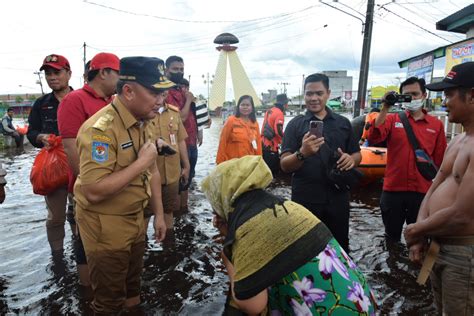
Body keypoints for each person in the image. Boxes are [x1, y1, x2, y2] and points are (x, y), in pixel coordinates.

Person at [202, 155, 377, 315]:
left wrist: (228, 258)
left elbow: (253, 305)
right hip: (361, 301)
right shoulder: (287, 206)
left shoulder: (247, 228)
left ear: (223, 198)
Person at [74, 56, 168, 313]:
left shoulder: (143, 120)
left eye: (163, 93)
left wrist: (159, 215)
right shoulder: (100, 130)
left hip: (135, 219)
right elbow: (93, 191)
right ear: (128, 91)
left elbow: (153, 172)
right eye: (154, 92)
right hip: (106, 227)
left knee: (132, 291)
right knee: (109, 301)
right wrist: (141, 163)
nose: (161, 101)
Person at [404, 62, 474, 315]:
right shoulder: (458, 140)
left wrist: (416, 229)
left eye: (449, 94)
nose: (444, 102)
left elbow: (462, 214)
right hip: (439, 244)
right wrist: (420, 233)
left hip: (464, 253)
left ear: (472, 95)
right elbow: (434, 187)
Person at [57, 52, 120, 288]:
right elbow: (71, 147)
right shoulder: (74, 100)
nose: (121, 79)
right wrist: (87, 184)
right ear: (104, 73)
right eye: (118, 73)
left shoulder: (112, 101)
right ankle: (87, 290)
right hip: (87, 186)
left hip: (113, 184)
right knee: (85, 238)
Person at [280, 73, 361, 251]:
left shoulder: (343, 123)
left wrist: (351, 160)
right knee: (305, 249)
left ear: (328, 93)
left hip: (338, 197)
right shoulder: (295, 124)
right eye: (309, 94)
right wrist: (302, 153)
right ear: (304, 94)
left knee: (340, 246)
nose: (314, 98)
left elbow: (357, 154)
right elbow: (285, 165)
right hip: (305, 198)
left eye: (319, 93)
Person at [366, 77, 447, 242]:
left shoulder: (436, 125)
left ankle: (412, 267)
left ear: (424, 95)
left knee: (419, 239)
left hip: (422, 192)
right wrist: (386, 107)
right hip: (393, 190)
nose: (412, 98)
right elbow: (374, 137)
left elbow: (440, 161)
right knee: (391, 236)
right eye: (407, 95)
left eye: (415, 94)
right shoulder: (391, 119)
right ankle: (392, 265)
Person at [27, 54, 73, 252]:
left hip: (80, 165)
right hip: (53, 168)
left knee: (82, 213)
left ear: (69, 74)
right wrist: (40, 137)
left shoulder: (80, 99)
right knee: (55, 216)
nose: (52, 77)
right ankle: (57, 256)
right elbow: (31, 132)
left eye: (57, 72)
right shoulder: (41, 104)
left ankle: (82, 252)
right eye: (48, 73)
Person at [145, 87, 190, 233]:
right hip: (149, 173)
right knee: (145, 213)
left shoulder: (174, 113)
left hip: (171, 173)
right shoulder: (143, 113)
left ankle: (168, 245)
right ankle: (142, 244)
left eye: (163, 94)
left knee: (169, 210)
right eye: (156, 93)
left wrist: (186, 165)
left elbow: (181, 140)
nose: (160, 98)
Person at [165, 56, 197, 211]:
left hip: (190, 142)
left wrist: (199, 133)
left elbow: (191, 116)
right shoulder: (165, 92)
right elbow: (180, 118)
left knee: (187, 183)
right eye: (175, 69)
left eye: (182, 69)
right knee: (177, 185)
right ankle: (176, 217)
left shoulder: (180, 89)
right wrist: (189, 100)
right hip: (176, 144)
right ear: (166, 70)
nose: (179, 72)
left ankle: (184, 212)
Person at [216, 95, 262, 164]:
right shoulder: (231, 121)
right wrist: (219, 162)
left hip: (249, 164)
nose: (245, 107)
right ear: (238, 107)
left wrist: (259, 162)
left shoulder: (255, 124)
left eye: (247, 105)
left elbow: (258, 145)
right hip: (232, 164)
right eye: (242, 105)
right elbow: (223, 141)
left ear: (252, 108)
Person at [261, 93, 287, 174]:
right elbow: (278, 131)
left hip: (262, 145)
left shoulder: (269, 111)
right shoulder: (279, 113)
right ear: (285, 104)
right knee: (273, 173)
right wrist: (285, 139)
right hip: (271, 147)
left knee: (265, 171)